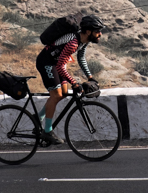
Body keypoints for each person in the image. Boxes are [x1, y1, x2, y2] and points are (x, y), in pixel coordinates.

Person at [35, 13, 105, 145]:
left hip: (57, 63)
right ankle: (47, 131)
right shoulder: (73, 43)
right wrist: (74, 83)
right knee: (56, 95)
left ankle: (38, 118)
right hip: (47, 62)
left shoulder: (83, 41)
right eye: (97, 31)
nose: (100, 34)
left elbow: (81, 58)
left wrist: (90, 76)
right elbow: (60, 67)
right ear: (88, 31)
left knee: (64, 93)